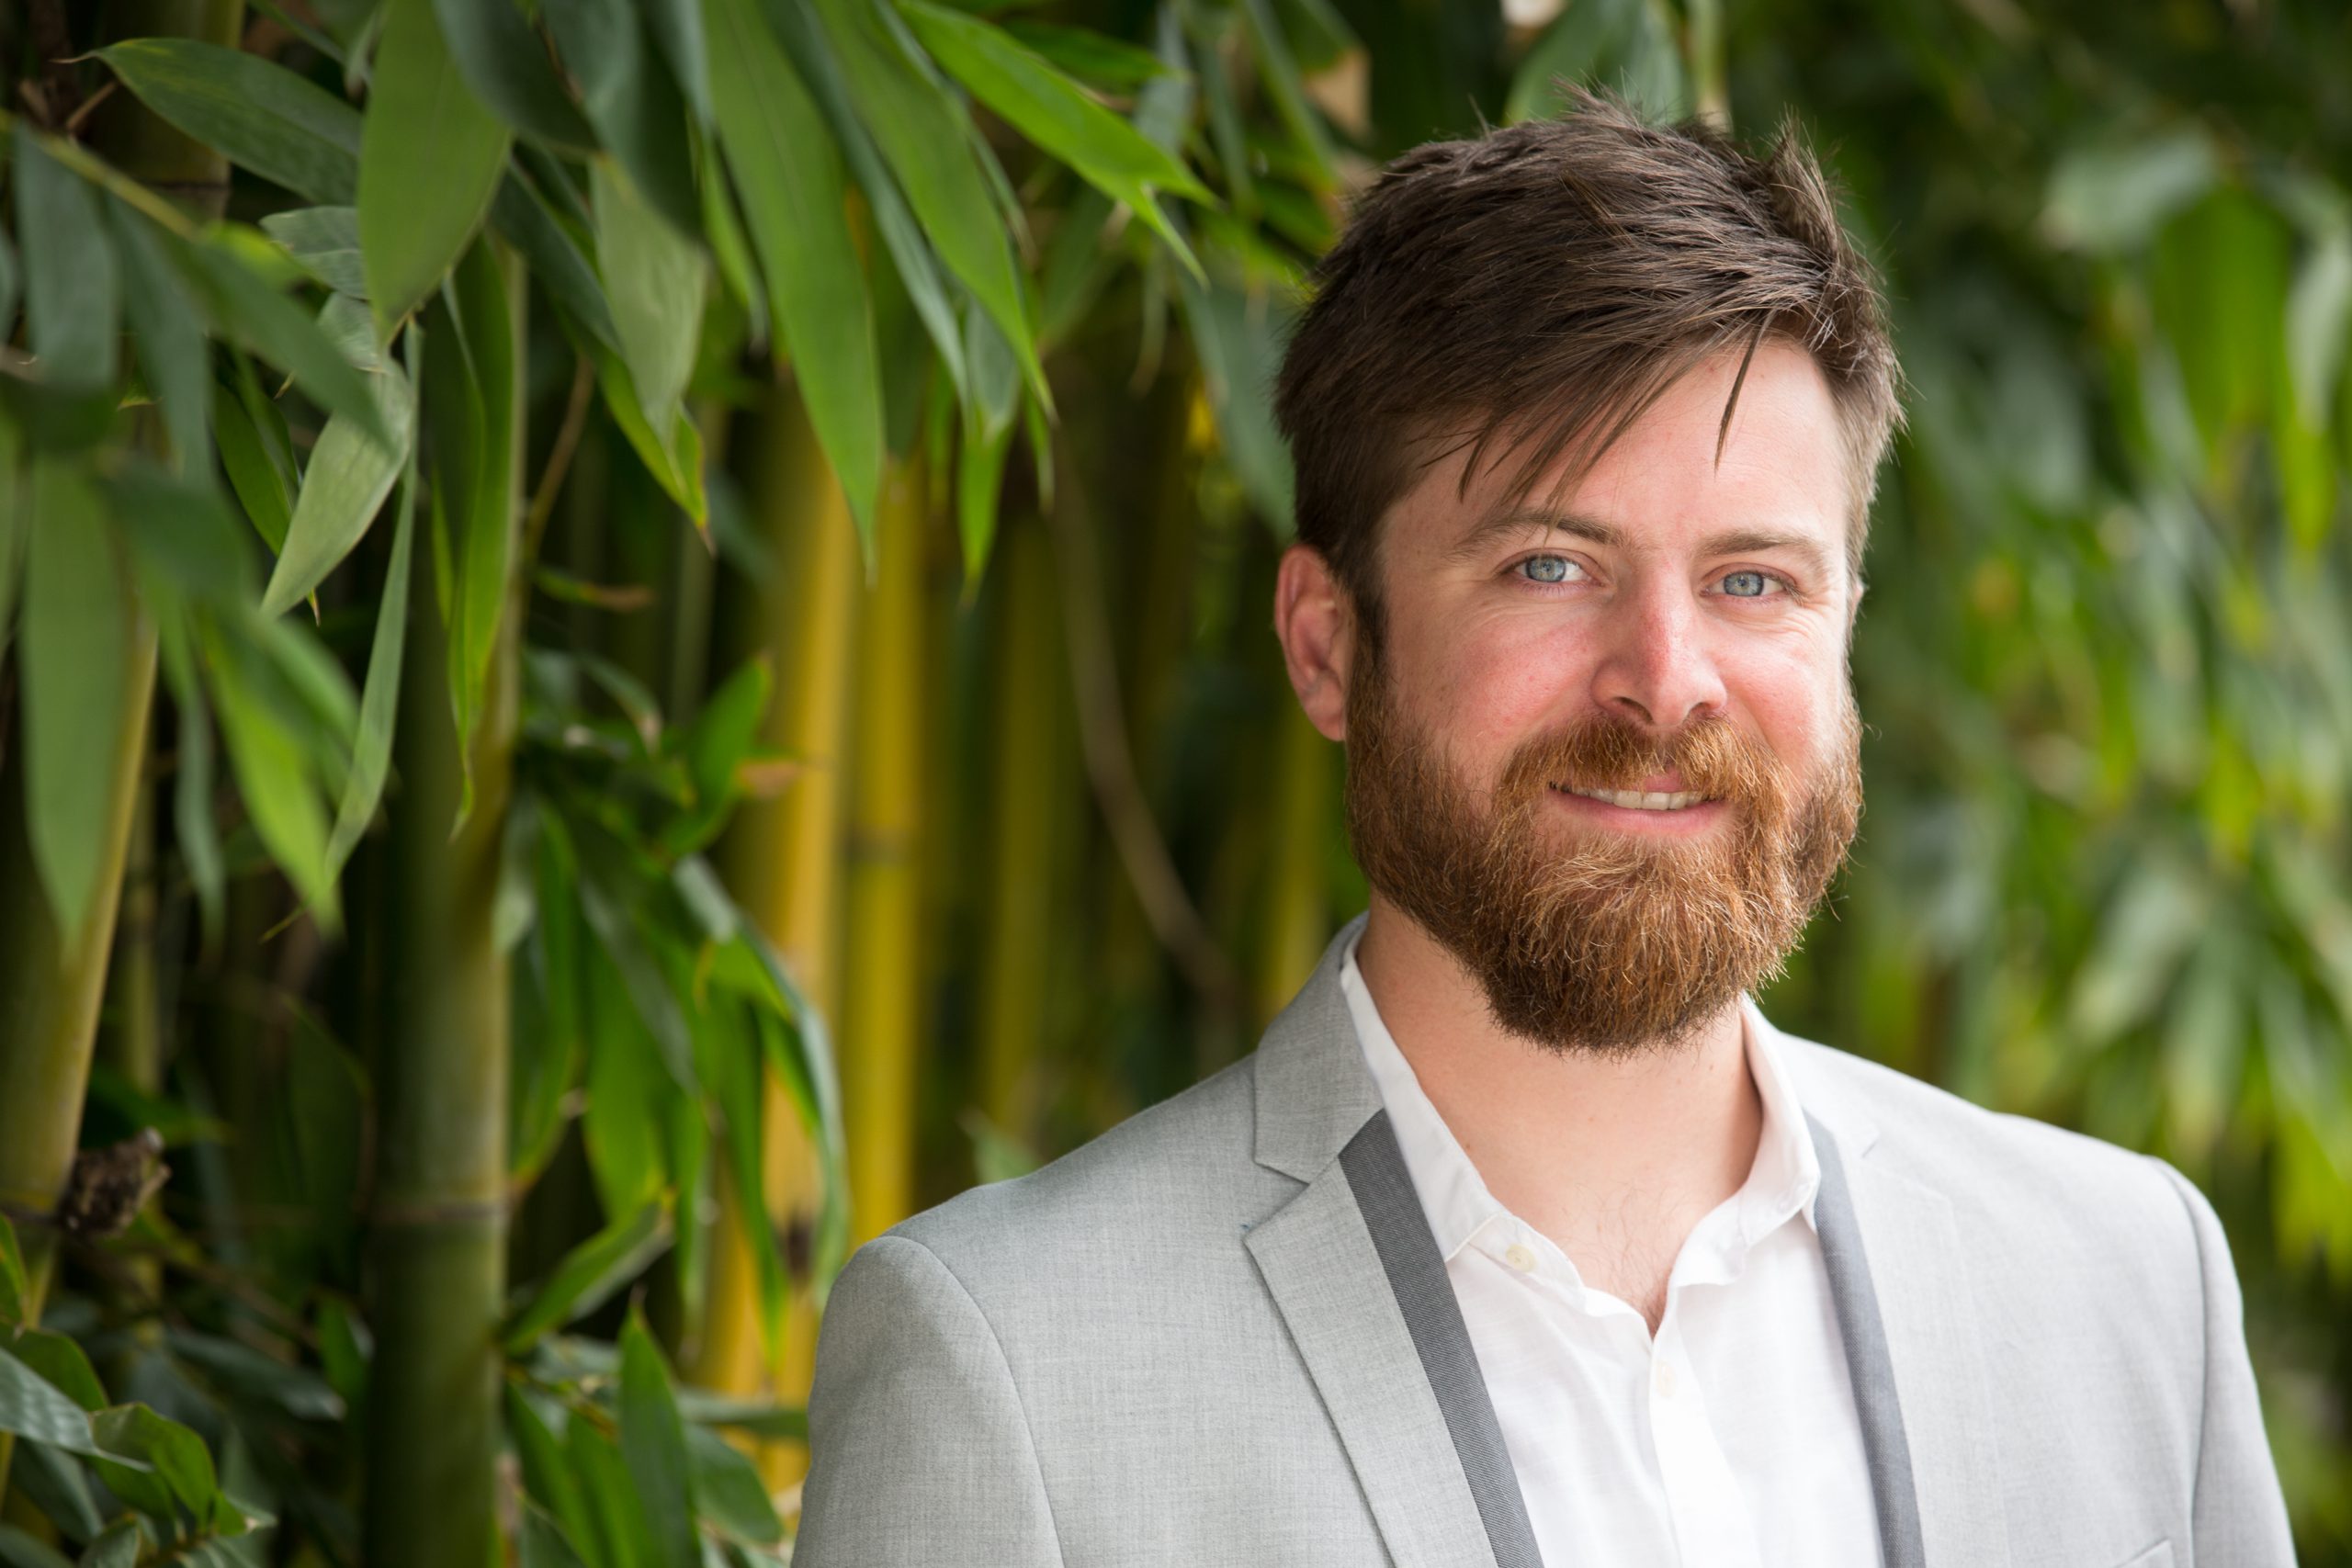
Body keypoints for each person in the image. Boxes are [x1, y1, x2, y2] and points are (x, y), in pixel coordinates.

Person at [792, 89, 2295, 1567]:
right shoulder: (1014, 1369)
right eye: (1549, 568)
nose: (1665, 684)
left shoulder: (2131, 1287)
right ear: (1327, 644)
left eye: (1753, 581)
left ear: (1844, 628)